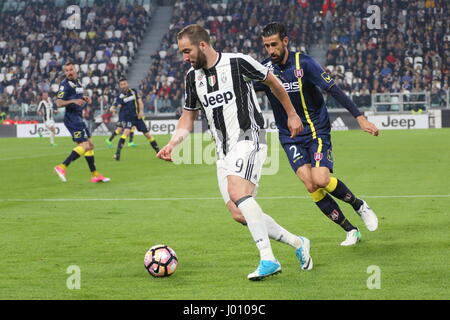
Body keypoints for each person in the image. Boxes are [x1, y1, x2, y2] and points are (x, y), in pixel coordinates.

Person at [157, 24, 312, 281]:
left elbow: (272, 81)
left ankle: (268, 259)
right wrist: (174, 143)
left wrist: (292, 114)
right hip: (223, 150)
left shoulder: (238, 62)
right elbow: (188, 117)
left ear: (202, 45)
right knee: (239, 213)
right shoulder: (191, 78)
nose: (184, 57)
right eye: (182, 52)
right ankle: (298, 243)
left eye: (187, 51)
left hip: (249, 137)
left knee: (238, 193)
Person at [253, 22, 379, 246]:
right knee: (311, 185)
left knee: (320, 179)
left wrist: (359, 117)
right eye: (266, 46)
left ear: (285, 42)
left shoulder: (306, 63)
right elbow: (244, 89)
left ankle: (359, 205)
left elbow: (333, 90)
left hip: (315, 130)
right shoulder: (264, 70)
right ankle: (350, 230)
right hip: (289, 136)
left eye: (274, 45)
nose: (270, 50)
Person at [53, 61, 110, 183]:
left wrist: (83, 98)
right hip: (72, 119)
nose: (69, 72)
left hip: (79, 118)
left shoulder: (77, 83)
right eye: (67, 70)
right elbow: (59, 103)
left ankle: (95, 175)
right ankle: (62, 166)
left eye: (71, 69)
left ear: (75, 70)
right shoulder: (64, 84)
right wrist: (73, 102)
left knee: (90, 145)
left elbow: (76, 97)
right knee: (84, 146)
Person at [112, 78, 159, 161]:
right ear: (119, 86)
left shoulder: (134, 91)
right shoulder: (119, 96)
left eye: (124, 84)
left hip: (137, 117)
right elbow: (116, 105)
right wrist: (113, 108)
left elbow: (140, 102)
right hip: (128, 118)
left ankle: (158, 152)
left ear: (127, 84)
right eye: (121, 84)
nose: (123, 86)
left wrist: (141, 111)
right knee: (125, 133)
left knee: (148, 135)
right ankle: (117, 153)